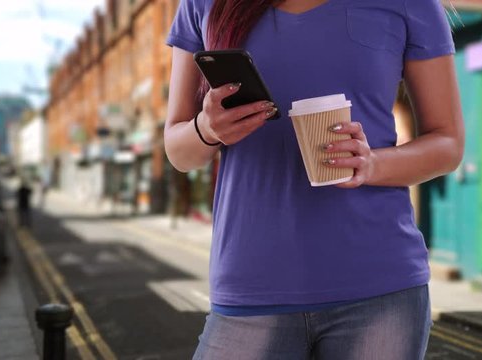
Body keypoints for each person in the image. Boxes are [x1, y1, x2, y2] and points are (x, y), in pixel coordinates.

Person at [165, 0, 464, 359]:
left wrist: (372, 165)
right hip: (251, 283)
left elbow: (448, 142)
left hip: (380, 288)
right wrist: (206, 128)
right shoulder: (203, 4)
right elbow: (178, 151)